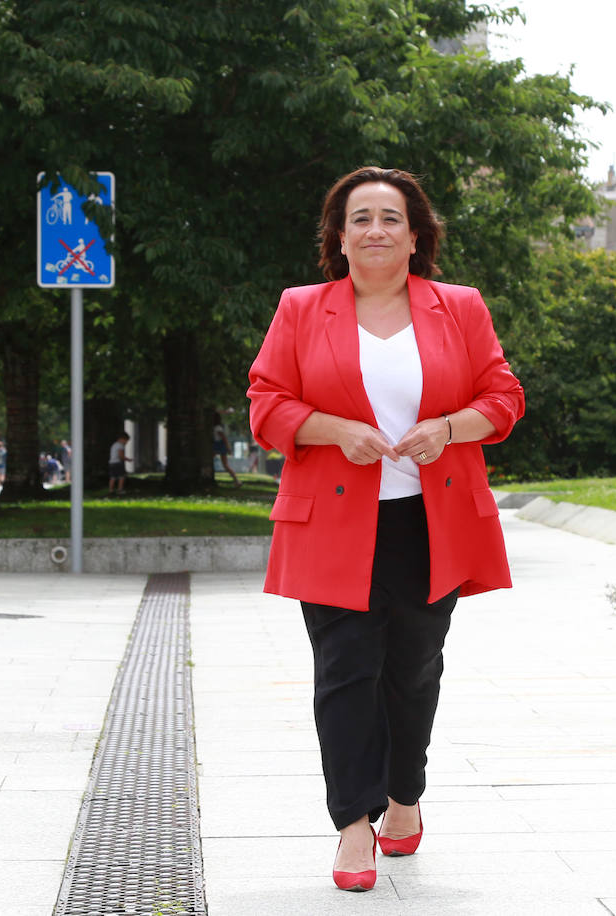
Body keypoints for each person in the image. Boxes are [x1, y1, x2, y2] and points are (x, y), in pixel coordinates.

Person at [247, 166, 524, 892]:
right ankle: (351, 829)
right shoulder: (303, 309)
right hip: (332, 523)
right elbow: (266, 402)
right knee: (345, 672)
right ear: (338, 238)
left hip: (429, 522)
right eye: (359, 218)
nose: (375, 229)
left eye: (390, 218)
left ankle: (404, 801)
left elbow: (503, 396)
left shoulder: (458, 307)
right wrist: (333, 429)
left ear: (415, 237)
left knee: (413, 670)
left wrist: (447, 427)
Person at [211, 411, 241, 487]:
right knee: (224, 465)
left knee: (225, 465)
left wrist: (228, 448)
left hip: (219, 445)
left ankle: (237, 481)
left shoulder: (217, 428)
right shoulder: (216, 427)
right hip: (217, 445)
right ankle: (236, 481)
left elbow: (224, 438)